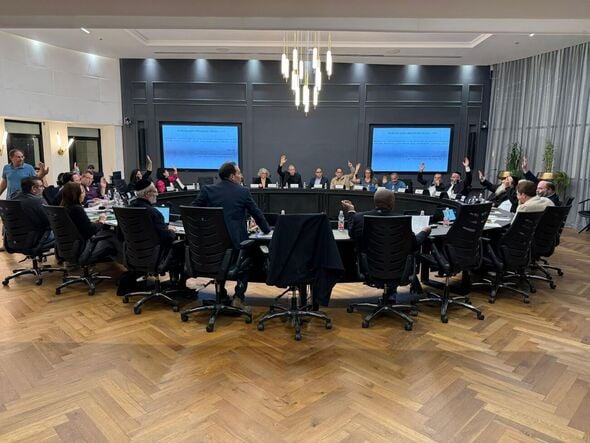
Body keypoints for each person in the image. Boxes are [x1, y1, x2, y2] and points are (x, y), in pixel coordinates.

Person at [192, 162, 271, 306]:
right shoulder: (242, 192)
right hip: (236, 245)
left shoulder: (207, 190)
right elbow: (257, 214)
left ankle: (220, 293)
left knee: (220, 260)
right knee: (248, 259)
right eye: (239, 173)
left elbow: (192, 212)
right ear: (232, 176)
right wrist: (267, 231)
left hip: (210, 245)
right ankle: (238, 297)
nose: (241, 176)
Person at [341, 188, 431, 248]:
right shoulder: (403, 220)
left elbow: (352, 234)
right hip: (399, 267)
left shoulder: (359, 218)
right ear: (392, 203)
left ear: (374, 201)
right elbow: (414, 243)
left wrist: (351, 210)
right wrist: (424, 231)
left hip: (367, 266)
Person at [60, 182, 120, 259]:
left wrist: (95, 223)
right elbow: (90, 231)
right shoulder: (76, 209)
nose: (84, 194)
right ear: (76, 194)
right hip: (84, 248)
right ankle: (127, 260)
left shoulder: (64, 207)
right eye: (82, 192)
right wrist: (101, 221)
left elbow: (81, 225)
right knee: (112, 234)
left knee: (106, 231)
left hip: (71, 247)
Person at [12, 176, 54, 248]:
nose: (43, 188)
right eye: (41, 186)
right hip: (37, 239)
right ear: (33, 188)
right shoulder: (38, 201)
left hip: (16, 239)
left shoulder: (13, 198)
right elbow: (50, 222)